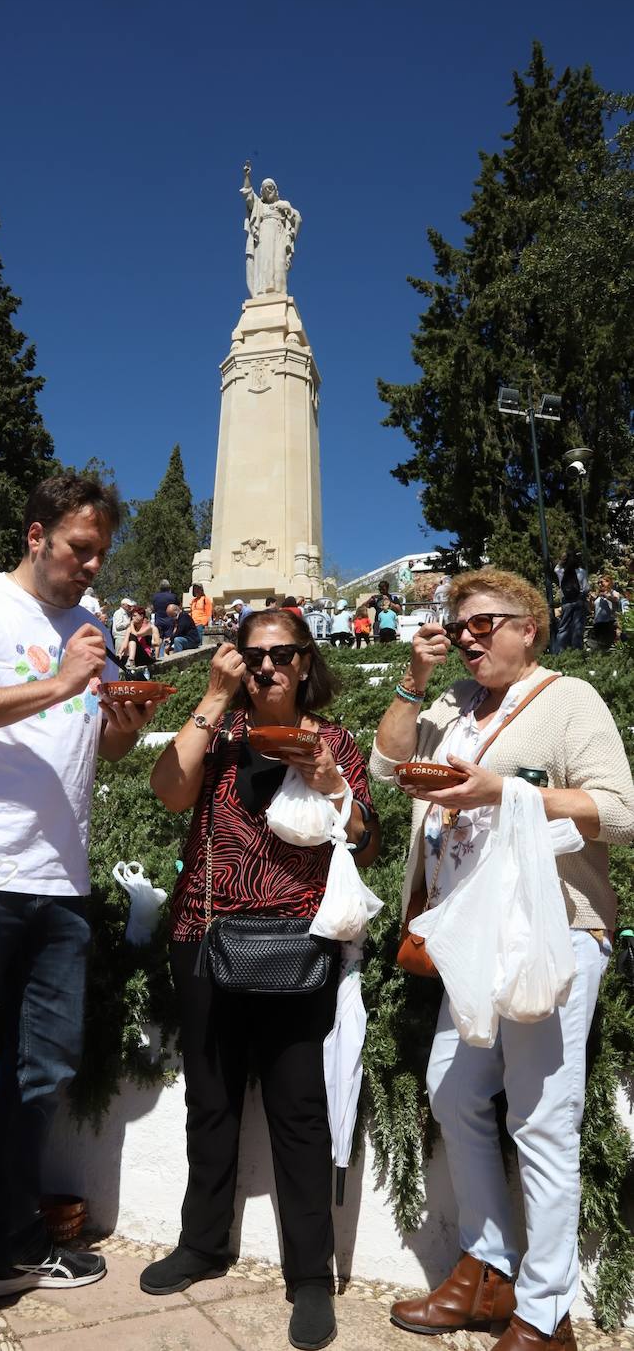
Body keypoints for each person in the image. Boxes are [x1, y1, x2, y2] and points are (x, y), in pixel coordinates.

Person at [0, 473, 162, 1351]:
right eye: (77, 547)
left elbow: (100, 747)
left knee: (38, 1078)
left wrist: (119, 717)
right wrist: (59, 684)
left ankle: (9, 1242)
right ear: (36, 532)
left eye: (101, 552)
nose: (91, 565)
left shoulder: (89, 637)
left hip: (63, 886)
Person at [371, 568, 634, 1351]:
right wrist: (414, 684)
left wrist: (510, 793)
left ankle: (547, 1315)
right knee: (453, 1097)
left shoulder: (568, 700)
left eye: (485, 622)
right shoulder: (453, 702)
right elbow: (389, 768)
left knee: (543, 1123)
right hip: (469, 938)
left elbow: (620, 811)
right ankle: (489, 1269)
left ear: (531, 625)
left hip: (551, 935)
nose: (468, 637)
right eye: (460, 626)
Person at [141, 609, 379, 1351]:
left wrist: (333, 783)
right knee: (209, 1100)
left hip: (295, 942)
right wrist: (212, 700)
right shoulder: (220, 731)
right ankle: (203, 1242)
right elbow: (169, 792)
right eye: (254, 654)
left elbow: (366, 841)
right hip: (204, 933)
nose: (269, 666)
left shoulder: (333, 739)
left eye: (282, 655)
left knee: (299, 1107)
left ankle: (309, 1276)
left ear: (307, 661)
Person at [241, 161, 302, 297]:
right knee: (264, 263)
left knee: (279, 264)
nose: (268, 190)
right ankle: (262, 293)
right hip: (263, 236)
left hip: (279, 235)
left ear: (275, 190)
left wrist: (288, 211)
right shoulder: (260, 205)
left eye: (271, 187)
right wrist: (247, 176)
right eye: (265, 188)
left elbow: (297, 219)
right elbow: (248, 195)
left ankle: (279, 293)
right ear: (262, 191)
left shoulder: (283, 204)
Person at [552, 550, 588, 654]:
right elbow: (585, 589)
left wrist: (562, 559)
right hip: (578, 601)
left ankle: (560, 654)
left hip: (566, 602)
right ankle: (577, 654)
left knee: (563, 628)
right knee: (577, 628)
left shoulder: (562, 571)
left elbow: (556, 568)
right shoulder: (581, 572)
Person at [120, 604, 158, 671]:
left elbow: (136, 634)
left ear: (141, 616)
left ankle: (131, 660)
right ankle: (131, 660)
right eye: (132, 616)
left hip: (146, 656)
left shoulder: (149, 627)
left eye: (135, 616)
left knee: (132, 636)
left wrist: (131, 624)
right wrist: (120, 653)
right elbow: (125, 644)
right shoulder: (130, 629)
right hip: (136, 657)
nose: (132, 618)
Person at [589, 573, 620, 651]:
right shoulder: (598, 596)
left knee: (605, 646)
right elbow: (592, 609)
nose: (600, 584)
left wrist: (606, 596)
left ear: (609, 582)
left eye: (602, 582)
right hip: (597, 623)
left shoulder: (614, 593)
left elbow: (616, 600)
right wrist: (591, 600)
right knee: (596, 647)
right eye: (599, 583)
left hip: (608, 623)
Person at [152, 579, 179, 656]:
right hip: (169, 621)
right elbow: (177, 607)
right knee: (168, 639)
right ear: (168, 587)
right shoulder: (173, 596)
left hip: (158, 620)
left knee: (158, 639)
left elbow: (154, 608)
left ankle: (156, 656)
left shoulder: (155, 597)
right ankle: (167, 657)